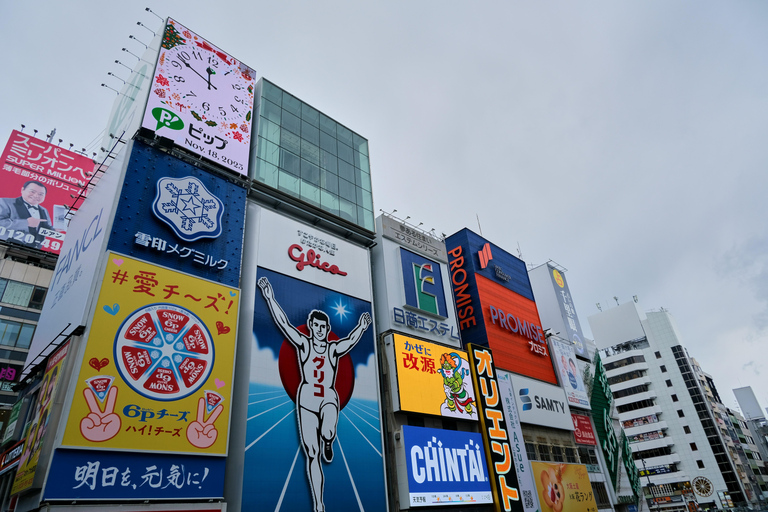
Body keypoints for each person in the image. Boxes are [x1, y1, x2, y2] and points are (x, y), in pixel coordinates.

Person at [258, 276, 371, 512]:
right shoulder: (304, 344)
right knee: (311, 453)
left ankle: (329, 440)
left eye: (323, 327)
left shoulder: (332, 348)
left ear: (327, 329)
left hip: (328, 397)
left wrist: (361, 326)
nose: (319, 330)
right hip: (307, 398)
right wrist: (269, 298)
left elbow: (349, 342)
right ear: (311, 327)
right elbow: (284, 324)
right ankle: (319, 503)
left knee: (328, 431)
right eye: (316, 326)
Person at [0, 180, 53, 248]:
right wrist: (26, 223)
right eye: (32, 191)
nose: (36, 195)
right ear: (22, 190)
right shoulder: (5, 202)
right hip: (7, 245)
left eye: (41, 194)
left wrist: (55, 230)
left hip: (34, 250)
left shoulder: (44, 210)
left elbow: (45, 229)